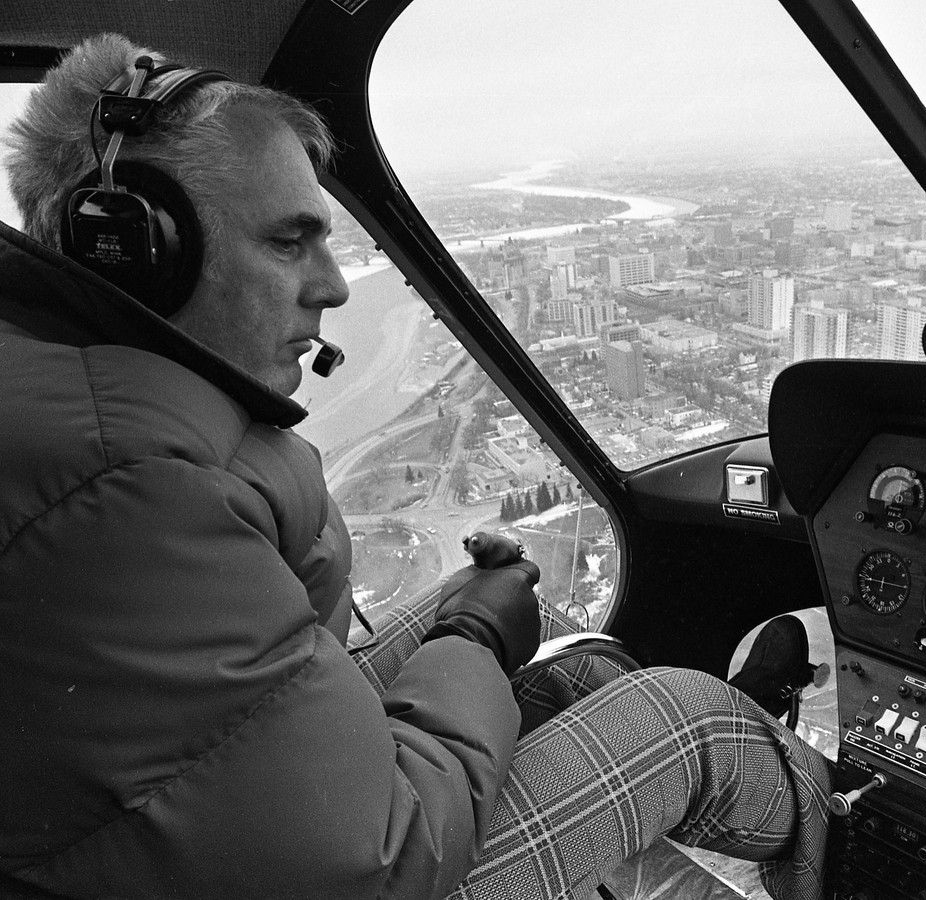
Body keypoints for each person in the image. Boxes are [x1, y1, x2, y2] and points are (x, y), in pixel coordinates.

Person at [0, 34, 831, 899]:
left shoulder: (69, 399)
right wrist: (472, 639)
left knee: (561, 661)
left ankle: (762, 736)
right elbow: (380, 862)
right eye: (291, 242)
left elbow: (234, 726)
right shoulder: (121, 486)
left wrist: (465, 619)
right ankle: (864, 842)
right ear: (131, 249)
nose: (335, 285)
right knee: (684, 727)